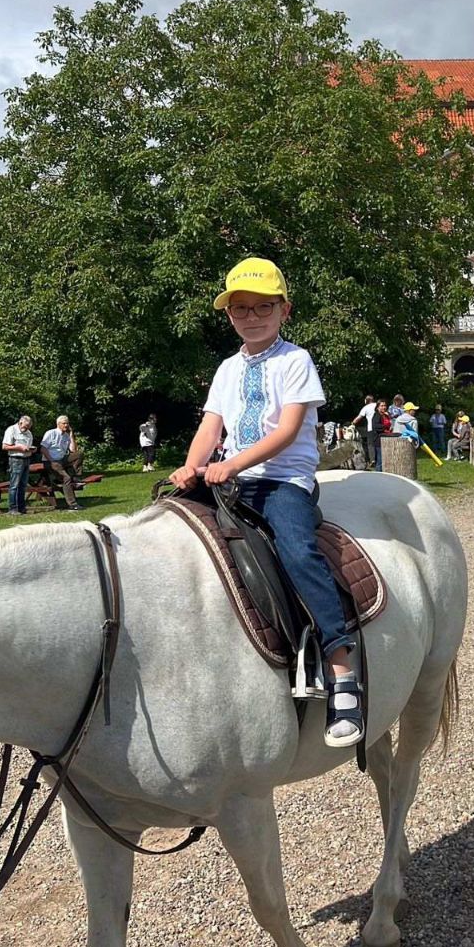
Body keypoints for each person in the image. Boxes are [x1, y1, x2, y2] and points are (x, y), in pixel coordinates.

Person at [168, 256, 364, 749]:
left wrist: (232, 464)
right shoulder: (227, 369)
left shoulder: (295, 361)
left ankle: (341, 668)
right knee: (169, 530)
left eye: (263, 307)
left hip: (282, 481)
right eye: (240, 308)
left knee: (298, 550)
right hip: (230, 479)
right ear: (228, 314)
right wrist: (191, 467)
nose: (251, 316)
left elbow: (287, 430)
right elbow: (211, 427)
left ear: (284, 310)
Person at [40, 415, 85, 511]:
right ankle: (72, 504)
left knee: (79, 454)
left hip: (62, 459)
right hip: (50, 461)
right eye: (64, 423)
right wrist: (51, 460)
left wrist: (71, 435)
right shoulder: (51, 433)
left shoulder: (66, 436)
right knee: (66, 478)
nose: (66, 425)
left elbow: (73, 450)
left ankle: (76, 476)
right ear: (58, 424)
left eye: (67, 423)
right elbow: (43, 449)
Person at [1, 414, 34, 516]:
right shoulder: (11, 430)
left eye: (28, 427)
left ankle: (21, 508)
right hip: (16, 459)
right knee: (14, 485)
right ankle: (12, 508)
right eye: (25, 426)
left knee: (23, 485)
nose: (26, 429)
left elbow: (28, 446)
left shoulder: (29, 433)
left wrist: (32, 449)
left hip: (26, 459)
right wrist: (19, 447)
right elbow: (4, 446)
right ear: (20, 423)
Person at [353, 395, 377, 468]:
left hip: (371, 428)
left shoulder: (366, 407)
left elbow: (359, 418)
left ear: (366, 400)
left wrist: (352, 423)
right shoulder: (378, 405)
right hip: (379, 427)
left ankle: (373, 460)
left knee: (370, 445)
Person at [372, 400, 393, 471]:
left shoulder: (385, 415)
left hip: (386, 439)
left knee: (386, 460)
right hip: (379, 441)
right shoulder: (376, 415)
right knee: (380, 461)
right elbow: (375, 426)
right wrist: (385, 426)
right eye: (382, 406)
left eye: (385, 405)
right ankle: (378, 475)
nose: (384, 407)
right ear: (377, 407)